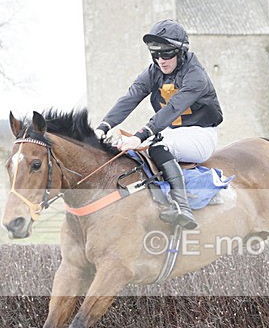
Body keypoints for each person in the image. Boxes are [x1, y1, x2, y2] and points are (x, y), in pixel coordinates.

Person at [94, 19, 223, 230]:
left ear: (180, 52)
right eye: (156, 54)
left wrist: (140, 135)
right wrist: (103, 127)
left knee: (154, 146)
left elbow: (172, 108)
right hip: (172, 132)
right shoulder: (153, 71)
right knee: (132, 152)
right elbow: (131, 98)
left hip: (200, 134)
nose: (161, 60)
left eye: (167, 54)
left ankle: (183, 208)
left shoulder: (196, 76)